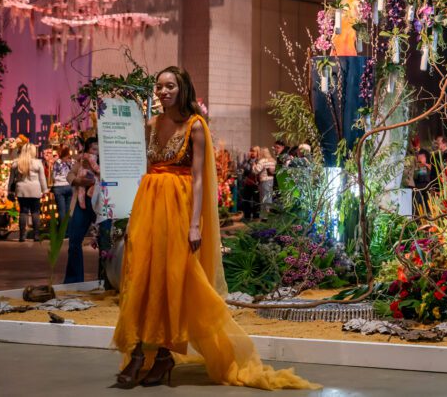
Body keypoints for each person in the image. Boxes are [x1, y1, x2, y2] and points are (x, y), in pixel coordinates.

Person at [112, 66, 316, 390]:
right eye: (159, 87)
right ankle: (137, 350)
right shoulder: (150, 124)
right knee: (139, 275)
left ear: (182, 90)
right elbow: (146, 171)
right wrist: (133, 216)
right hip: (148, 206)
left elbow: (198, 180)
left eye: (170, 86)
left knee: (174, 279)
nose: (163, 92)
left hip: (178, 208)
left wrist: (195, 225)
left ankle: (164, 351)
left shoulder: (195, 126)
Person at [64, 137, 99, 283]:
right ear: (86, 150)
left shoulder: (107, 160)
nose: (95, 152)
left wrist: (96, 180)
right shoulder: (82, 161)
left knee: (106, 242)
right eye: (93, 149)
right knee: (74, 242)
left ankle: (106, 278)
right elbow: (70, 175)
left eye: (98, 149)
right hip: (81, 203)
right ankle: (74, 280)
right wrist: (78, 181)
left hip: (101, 203)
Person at [13, 143, 47, 242]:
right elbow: (42, 178)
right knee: (35, 212)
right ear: (33, 152)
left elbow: (11, 179)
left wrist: (10, 191)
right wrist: (45, 190)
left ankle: (22, 236)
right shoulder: (38, 163)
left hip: (21, 190)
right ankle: (36, 236)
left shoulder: (16, 163)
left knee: (23, 212)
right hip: (35, 190)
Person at [49, 146, 74, 222]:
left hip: (58, 187)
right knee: (68, 210)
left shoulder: (57, 162)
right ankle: (68, 229)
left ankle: (62, 231)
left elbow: (54, 176)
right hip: (69, 186)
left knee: (61, 210)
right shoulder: (71, 162)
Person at [238, 147, 259, 221]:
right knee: (246, 199)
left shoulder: (259, 161)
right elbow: (243, 168)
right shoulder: (247, 160)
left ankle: (256, 216)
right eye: (251, 151)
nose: (252, 153)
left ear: (257, 152)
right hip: (248, 182)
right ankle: (247, 216)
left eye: (253, 151)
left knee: (256, 200)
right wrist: (246, 160)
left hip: (256, 183)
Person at [256, 147, 276, 220]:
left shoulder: (262, 161)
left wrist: (253, 166)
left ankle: (264, 217)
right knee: (269, 199)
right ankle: (269, 215)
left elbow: (256, 170)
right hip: (271, 181)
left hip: (264, 181)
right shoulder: (273, 161)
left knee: (264, 199)